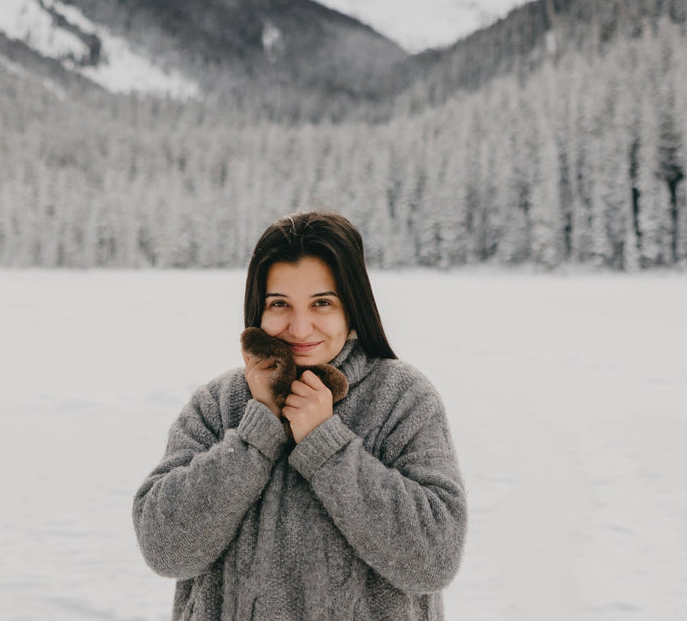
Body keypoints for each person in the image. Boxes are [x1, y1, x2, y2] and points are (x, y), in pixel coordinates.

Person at [133, 210, 467, 620]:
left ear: (353, 309)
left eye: (322, 303)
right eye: (280, 304)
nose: (300, 327)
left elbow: (434, 558)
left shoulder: (402, 398)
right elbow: (165, 549)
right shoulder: (219, 404)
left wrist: (328, 446)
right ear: (259, 310)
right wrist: (256, 432)